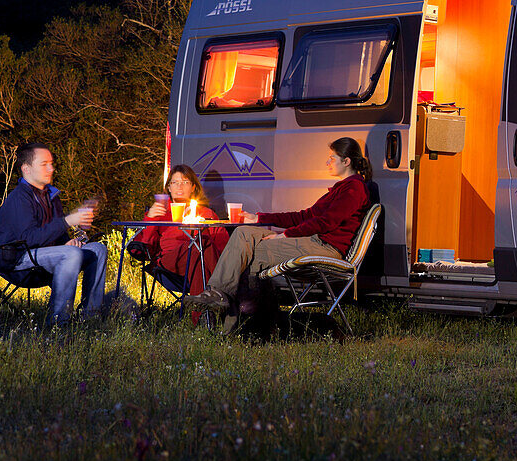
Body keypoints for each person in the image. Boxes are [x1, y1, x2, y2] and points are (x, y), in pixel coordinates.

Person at [184, 137, 373, 329]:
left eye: (332, 158)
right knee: (243, 233)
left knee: (246, 256)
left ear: (346, 161)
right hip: (314, 241)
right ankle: (217, 295)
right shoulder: (341, 189)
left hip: (324, 247)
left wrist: (286, 235)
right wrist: (259, 218)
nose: (327, 162)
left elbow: (325, 222)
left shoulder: (354, 189)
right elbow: (304, 216)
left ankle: (232, 324)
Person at [0, 142, 107, 326]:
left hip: (44, 256)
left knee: (98, 249)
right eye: (44, 164)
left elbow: (55, 233)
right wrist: (67, 221)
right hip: (16, 257)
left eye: (51, 163)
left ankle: (90, 317)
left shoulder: (51, 196)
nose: (51, 168)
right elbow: (29, 239)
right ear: (26, 169)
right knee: (71, 254)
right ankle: (59, 322)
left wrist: (68, 242)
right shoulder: (19, 198)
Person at [130, 164, 227, 322]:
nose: (179, 186)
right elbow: (145, 244)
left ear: (193, 187)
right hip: (170, 263)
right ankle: (221, 294)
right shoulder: (160, 212)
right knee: (200, 243)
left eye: (185, 182)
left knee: (199, 251)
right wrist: (150, 219)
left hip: (200, 263)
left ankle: (202, 318)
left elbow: (223, 246)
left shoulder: (206, 214)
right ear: (168, 187)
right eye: (175, 182)